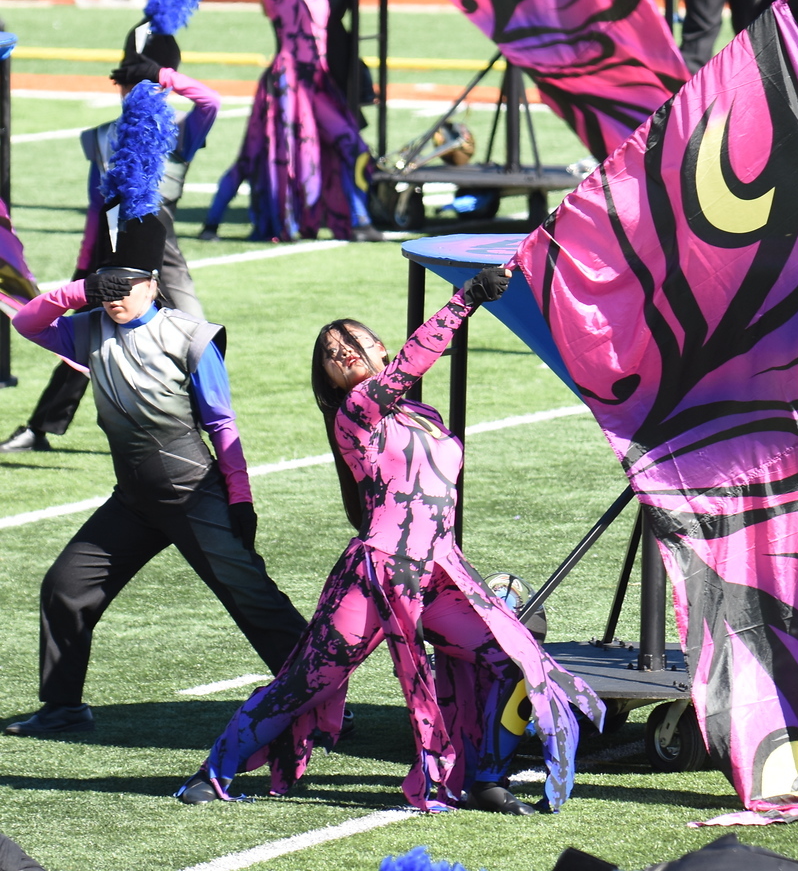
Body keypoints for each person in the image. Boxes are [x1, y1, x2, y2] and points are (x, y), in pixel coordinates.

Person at [175, 267, 604, 814]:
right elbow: (407, 368)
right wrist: (464, 301)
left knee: (509, 661)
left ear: (378, 347)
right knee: (305, 683)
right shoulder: (354, 414)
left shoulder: (426, 417)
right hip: (375, 574)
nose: (344, 351)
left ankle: (485, 779)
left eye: (354, 341)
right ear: (329, 378)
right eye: (332, 352)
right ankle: (213, 772)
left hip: (439, 572)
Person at [4, 83, 307, 737]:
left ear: (153, 283)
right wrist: (77, 288)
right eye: (105, 289)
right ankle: (63, 706)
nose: (114, 299)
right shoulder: (87, 330)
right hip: (135, 497)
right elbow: (29, 322)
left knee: (257, 604)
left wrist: (242, 498)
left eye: (125, 288)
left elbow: (222, 424)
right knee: (65, 586)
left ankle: (319, 700)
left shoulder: (191, 336)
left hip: (194, 495)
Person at [0, 0, 219, 455]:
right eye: (124, 78)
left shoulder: (179, 139)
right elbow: (96, 211)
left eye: (134, 77)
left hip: (164, 261)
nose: (126, 87)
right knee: (90, 338)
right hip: (109, 254)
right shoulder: (97, 138)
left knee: (194, 336)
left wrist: (163, 77)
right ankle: (40, 428)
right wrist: (85, 267)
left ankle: (208, 430)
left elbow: (211, 102)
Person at [198, 0, 380, 244]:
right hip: (286, 83)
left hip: (317, 81)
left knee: (351, 145)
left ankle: (360, 222)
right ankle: (211, 223)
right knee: (253, 158)